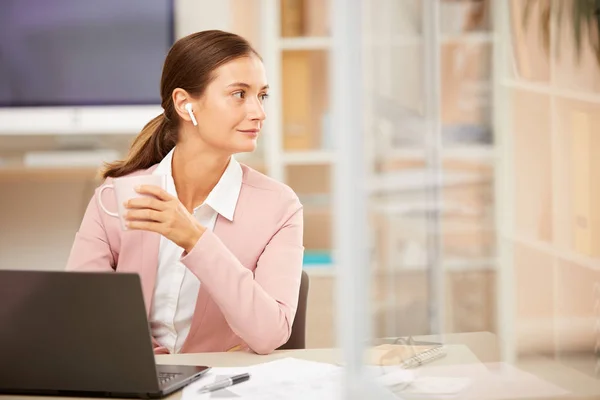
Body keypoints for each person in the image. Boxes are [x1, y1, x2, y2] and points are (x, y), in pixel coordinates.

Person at [66, 30, 304, 355]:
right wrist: (155, 370)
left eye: (261, 96)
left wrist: (195, 238)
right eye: (239, 94)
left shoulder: (279, 207)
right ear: (185, 104)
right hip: (134, 385)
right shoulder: (114, 199)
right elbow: (80, 313)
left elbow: (269, 334)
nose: (258, 112)